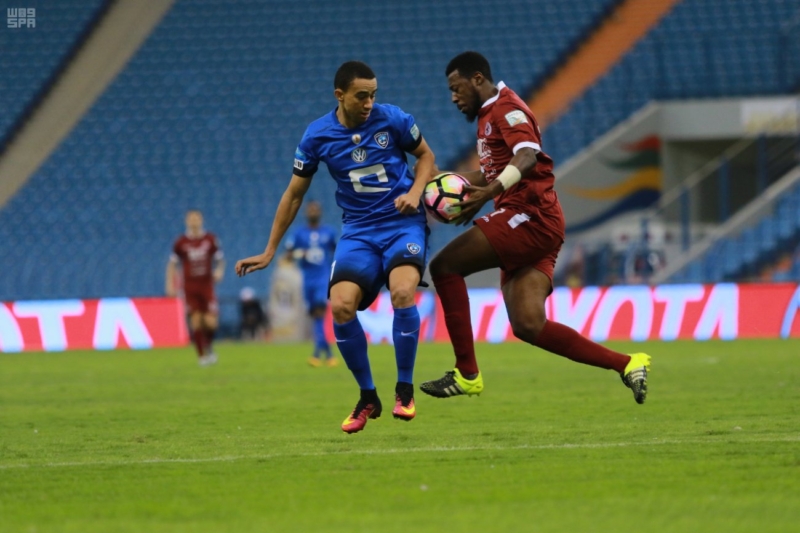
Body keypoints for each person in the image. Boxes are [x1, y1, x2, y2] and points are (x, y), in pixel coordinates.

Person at [419, 52, 651, 404]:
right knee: (528, 325)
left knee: (444, 266)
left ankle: (466, 373)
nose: (453, 97)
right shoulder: (487, 117)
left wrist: (489, 194)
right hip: (534, 221)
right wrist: (431, 181)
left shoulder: (507, 109)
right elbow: (489, 173)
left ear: (477, 78)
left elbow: (526, 157)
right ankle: (628, 363)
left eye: (456, 87)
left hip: (530, 215)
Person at [235, 61, 436, 433]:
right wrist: (269, 250)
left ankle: (404, 390)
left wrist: (415, 191)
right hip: (358, 230)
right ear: (339, 96)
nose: (370, 103)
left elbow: (426, 156)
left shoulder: (393, 119)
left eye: (374, 95)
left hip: (402, 222)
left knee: (403, 292)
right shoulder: (317, 136)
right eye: (362, 96)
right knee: (341, 306)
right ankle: (367, 396)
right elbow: (295, 195)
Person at [166, 209, 225, 366]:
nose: (194, 221)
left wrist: (219, 271)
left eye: (196, 218)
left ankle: (208, 345)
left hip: (207, 286)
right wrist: (170, 284)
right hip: (190, 287)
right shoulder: (180, 243)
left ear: (201, 220)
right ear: (187, 222)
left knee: (211, 322)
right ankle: (201, 357)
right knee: (196, 320)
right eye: (191, 219)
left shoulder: (210, 239)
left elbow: (220, 260)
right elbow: (172, 264)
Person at [285, 201, 339, 367]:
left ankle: (317, 354)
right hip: (306, 279)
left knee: (318, 313)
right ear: (306, 213)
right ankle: (329, 354)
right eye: (310, 210)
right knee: (316, 317)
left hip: (322, 279)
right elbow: (288, 255)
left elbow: (339, 250)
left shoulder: (329, 232)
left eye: (316, 209)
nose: (313, 212)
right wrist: (299, 253)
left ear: (320, 212)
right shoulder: (299, 233)